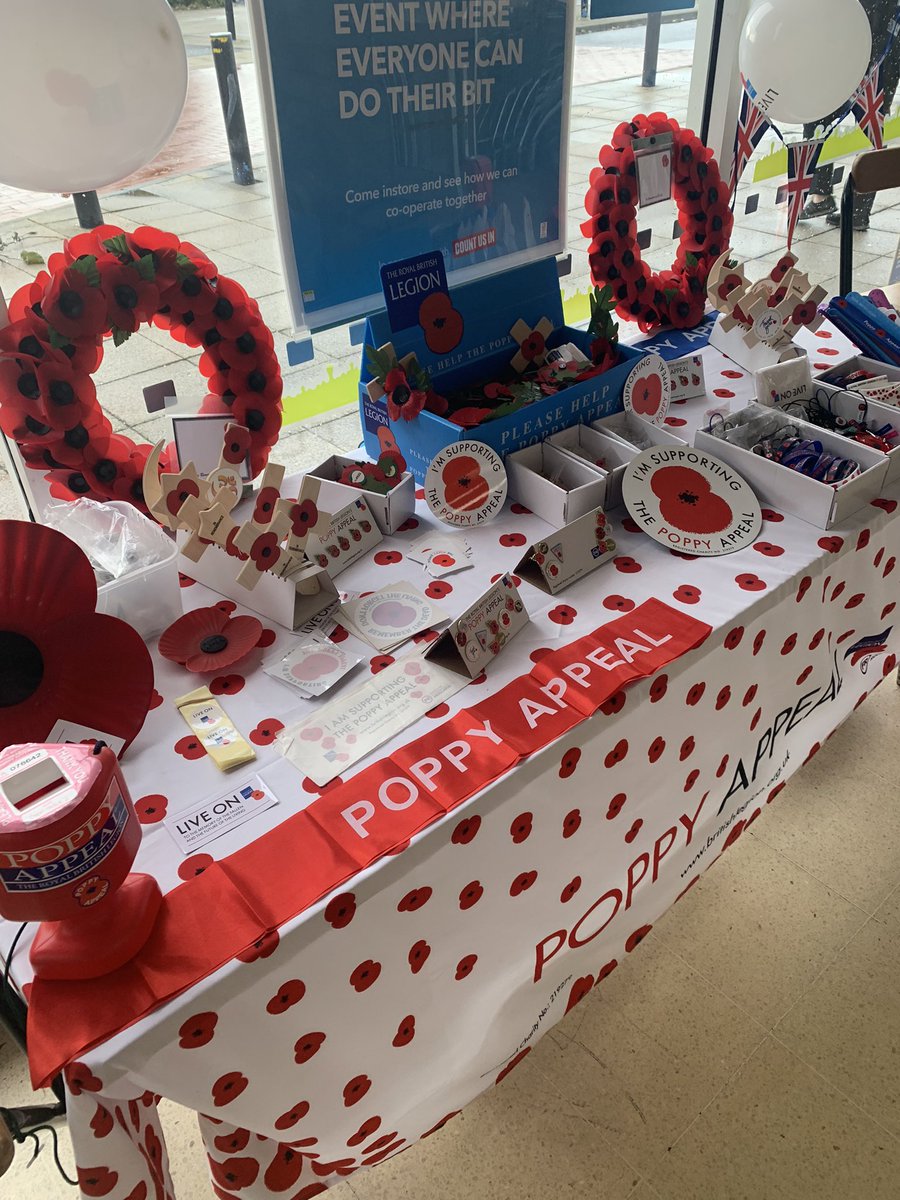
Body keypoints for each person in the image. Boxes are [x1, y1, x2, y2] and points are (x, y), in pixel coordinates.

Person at [799, 0, 900, 230]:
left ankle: (825, 196)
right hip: (883, 49)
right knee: (872, 129)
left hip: (861, 50)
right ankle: (852, 207)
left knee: (818, 114)